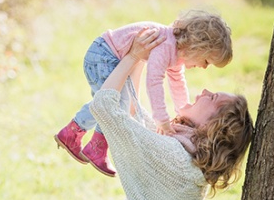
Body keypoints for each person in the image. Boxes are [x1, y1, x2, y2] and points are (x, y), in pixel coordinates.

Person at [91, 28, 253, 200]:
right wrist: (144, 58)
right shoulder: (189, 154)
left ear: (214, 126)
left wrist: (133, 56)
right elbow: (134, 115)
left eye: (212, 98)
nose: (204, 90)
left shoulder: (174, 158)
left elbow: (104, 106)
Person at [54, 10, 233, 177]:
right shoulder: (166, 45)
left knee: (113, 102)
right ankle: (94, 145)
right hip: (103, 56)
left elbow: (177, 83)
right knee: (113, 102)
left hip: (107, 56)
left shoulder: (176, 53)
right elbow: (153, 81)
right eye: (207, 61)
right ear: (198, 47)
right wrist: (161, 119)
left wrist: (183, 111)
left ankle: (75, 134)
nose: (203, 67)